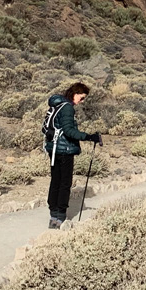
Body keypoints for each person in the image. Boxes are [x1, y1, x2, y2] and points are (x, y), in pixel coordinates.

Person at [44, 82, 93, 228]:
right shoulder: (67, 108)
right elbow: (69, 131)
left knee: (55, 181)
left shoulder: (58, 104)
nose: (81, 101)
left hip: (54, 149)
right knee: (65, 183)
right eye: (81, 98)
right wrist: (89, 137)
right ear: (75, 93)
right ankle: (60, 217)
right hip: (65, 150)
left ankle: (53, 215)